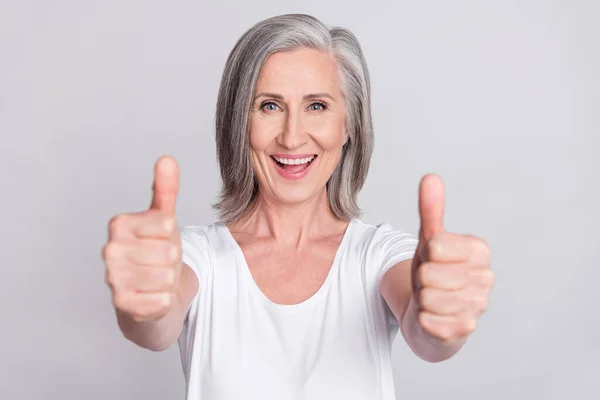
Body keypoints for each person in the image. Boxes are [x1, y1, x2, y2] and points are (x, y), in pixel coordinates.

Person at [102, 13, 494, 400]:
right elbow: (155, 326)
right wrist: (146, 308)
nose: (292, 138)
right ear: (238, 123)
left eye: (317, 106)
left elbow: (427, 338)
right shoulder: (197, 257)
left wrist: (442, 321)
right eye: (270, 106)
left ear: (349, 126)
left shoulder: (377, 256)